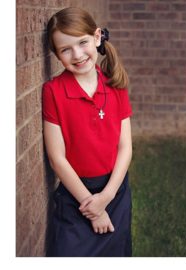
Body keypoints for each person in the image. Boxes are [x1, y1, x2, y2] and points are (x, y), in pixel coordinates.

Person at [43, 7, 133, 256]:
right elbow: (57, 158)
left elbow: (125, 146)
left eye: (82, 42)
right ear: (57, 56)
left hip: (115, 190)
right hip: (75, 195)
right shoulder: (53, 91)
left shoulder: (116, 84)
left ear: (96, 37)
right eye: (65, 49)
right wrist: (94, 207)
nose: (77, 54)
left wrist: (107, 197)